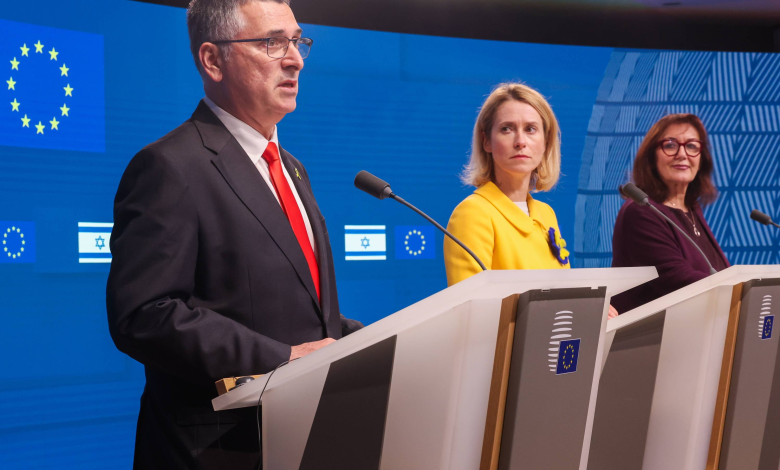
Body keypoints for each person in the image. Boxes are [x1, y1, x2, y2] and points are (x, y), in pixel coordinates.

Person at [105, 0, 362, 467]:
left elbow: (301, 315)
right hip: (217, 450)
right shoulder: (169, 167)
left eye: (297, 40)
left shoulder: (293, 170)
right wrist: (281, 357)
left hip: (304, 438)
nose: (295, 58)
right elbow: (144, 314)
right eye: (272, 42)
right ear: (212, 59)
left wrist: (369, 342)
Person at [611, 113, 729, 313]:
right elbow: (677, 280)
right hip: (646, 338)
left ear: (702, 158)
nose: (682, 154)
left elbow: (719, 272)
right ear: (652, 156)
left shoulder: (691, 209)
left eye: (692, 146)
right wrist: (741, 290)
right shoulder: (641, 212)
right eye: (671, 145)